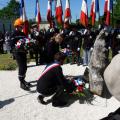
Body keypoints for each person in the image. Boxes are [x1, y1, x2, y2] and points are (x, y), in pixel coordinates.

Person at [10, 18, 31, 91]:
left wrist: (28, 44)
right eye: (20, 26)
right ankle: (21, 83)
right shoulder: (13, 33)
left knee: (25, 67)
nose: (22, 27)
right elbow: (12, 45)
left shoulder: (22, 34)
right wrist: (17, 47)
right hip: (18, 53)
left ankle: (23, 79)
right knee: (21, 67)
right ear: (16, 26)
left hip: (23, 52)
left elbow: (26, 41)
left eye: (22, 26)